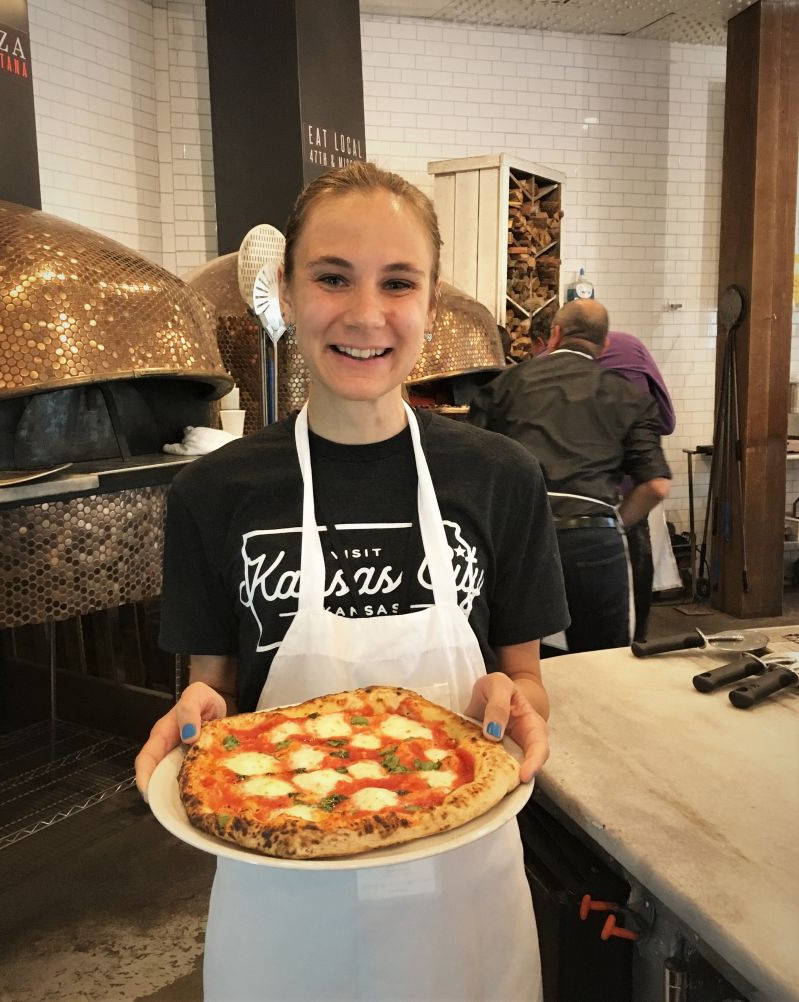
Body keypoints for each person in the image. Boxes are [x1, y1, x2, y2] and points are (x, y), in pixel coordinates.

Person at [135, 161, 569, 1002]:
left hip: (462, 880)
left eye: (397, 283)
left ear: (430, 304)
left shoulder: (502, 476)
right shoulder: (212, 492)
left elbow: (525, 684)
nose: (365, 315)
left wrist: (520, 709)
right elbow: (211, 696)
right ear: (288, 296)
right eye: (332, 278)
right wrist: (195, 717)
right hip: (278, 881)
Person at [469, 299, 671, 654]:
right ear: (604, 344)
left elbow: (475, 464)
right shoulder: (628, 396)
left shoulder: (506, 384)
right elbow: (656, 484)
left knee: (524, 662)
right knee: (606, 661)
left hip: (523, 538)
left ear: (555, 335)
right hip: (594, 539)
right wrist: (614, 523)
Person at [597, 331, 677, 641]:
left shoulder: (545, 363)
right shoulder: (632, 346)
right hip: (632, 483)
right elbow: (667, 421)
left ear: (553, 336)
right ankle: (639, 638)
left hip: (579, 496)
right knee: (635, 547)